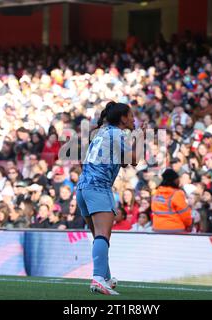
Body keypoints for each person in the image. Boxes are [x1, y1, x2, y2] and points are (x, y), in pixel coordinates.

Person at [76, 101, 146, 295]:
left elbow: (123, 162)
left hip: (83, 188)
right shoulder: (117, 133)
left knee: (99, 236)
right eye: (131, 115)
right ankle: (98, 278)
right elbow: (133, 159)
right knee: (102, 235)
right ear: (123, 118)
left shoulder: (103, 133)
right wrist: (140, 138)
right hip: (98, 188)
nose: (134, 119)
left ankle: (105, 277)